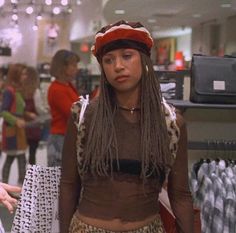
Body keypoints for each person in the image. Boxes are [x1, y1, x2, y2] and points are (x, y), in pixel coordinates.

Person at [59, 20, 194, 233]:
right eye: (108, 60)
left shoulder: (170, 122)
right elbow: (68, 184)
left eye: (127, 56)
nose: (118, 66)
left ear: (143, 60)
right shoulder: (84, 116)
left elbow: (181, 194)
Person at [47, 49, 80, 166]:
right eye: (74, 65)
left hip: (67, 136)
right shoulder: (57, 89)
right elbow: (72, 113)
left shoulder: (68, 86)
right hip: (60, 138)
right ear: (63, 67)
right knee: (58, 179)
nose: (77, 68)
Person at [1, 63, 29, 185]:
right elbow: (3, 112)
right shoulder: (9, 91)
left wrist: (27, 114)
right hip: (12, 130)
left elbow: (18, 110)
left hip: (19, 131)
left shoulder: (18, 90)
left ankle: (18, 188)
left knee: (19, 159)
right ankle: (7, 188)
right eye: (23, 74)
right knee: (13, 159)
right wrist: (16, 120)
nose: (25, 76)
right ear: (16, 75)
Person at [22, 66, 43, 165]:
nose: (22, 76)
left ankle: (23, 176)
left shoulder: (20, 91)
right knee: (31, 154)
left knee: (23, 154)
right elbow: (39, 109)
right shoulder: (36, 92)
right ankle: (31, 176)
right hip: (32, 126)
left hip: (23, 125)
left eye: (25, 74)